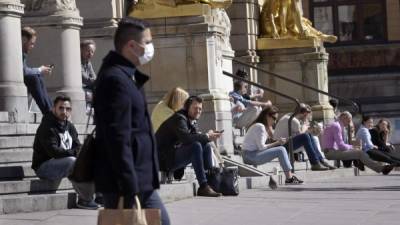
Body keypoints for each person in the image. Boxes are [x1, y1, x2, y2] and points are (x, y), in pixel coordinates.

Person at [93, 17, 170, 225]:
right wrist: (129, 185)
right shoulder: (115, 80)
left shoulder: (127, 76)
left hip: (136, 176)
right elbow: (117, 136)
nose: (150, 47)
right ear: (131, 46)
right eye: (147, 42)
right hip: (128, 180)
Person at [31, 96, 98, 209]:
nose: (64, 111)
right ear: (54, 109)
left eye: (67, 109)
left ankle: (100, 195)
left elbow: (78, 146)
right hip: (44, 167)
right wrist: (75, 153)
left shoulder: (69, 126)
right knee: (72, 162)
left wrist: (80, 154)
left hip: (62, 162)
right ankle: (84, 200)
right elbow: (54, 152)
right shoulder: (47, 127)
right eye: (61, 108)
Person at [156, 96, 223, 197]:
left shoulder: (190, 120)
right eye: (195, 108)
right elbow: (186, 139)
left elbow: (196, 137)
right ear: (187, 107)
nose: (198, 111)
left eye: (200, 109)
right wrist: (207, 136)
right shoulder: (179, 118)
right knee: (195, 146)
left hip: (172, 154)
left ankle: (211, 181)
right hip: (163, 158)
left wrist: (208, 136)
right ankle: (203, 186)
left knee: (206, 145)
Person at [242, 106, 304, 185]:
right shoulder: (260, 127)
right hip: (250, 155)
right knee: (281, 149)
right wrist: (277, 142)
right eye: (274, 118)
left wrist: (276, 140)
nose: (275, 122)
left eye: (276, 119)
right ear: (267, 116)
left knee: (281, 149)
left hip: (251, 154)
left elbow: (262, 146)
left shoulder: (261, 126)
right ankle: (289, 178)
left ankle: (290, 177)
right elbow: (262, 147)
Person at [322, 111, 394, 175]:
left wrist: (352, 147)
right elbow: (341, 146)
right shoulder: (337, 126)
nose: (349, 123)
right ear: (344, 118)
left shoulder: (336, 125)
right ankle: (381, 169)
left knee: (358, 151)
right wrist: (352, 147)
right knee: (359, 153)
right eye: (349, 121)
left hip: (332, 151)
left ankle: (360, 162)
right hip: (331, 152)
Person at [274, 103, 334, 170]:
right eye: (307, 115)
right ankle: (315, 163)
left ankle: (320, 161)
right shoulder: (294, 120)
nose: (307, 116)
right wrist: (305, 127)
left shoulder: (290, 115)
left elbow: (297, 134)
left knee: (309, 136)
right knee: (305, 137)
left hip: (283, 143)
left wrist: (306, 127)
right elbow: (301, 135)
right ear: (305, 113)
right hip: (280, 146)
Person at [21, 26, 53, 115]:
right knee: (34, 78)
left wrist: (40, 71)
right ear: (24, 39)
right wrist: (39, 70)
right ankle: (47, 112)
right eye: (32, 43)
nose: (33, 46)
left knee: (38, 77)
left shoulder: (23, 52)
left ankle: (51, 109)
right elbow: (23, 71)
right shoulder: (17, 51)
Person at [80, 40, 97, 110]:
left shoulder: (88, 63)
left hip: (88, 87)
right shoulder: (77, 61)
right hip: (81, 88)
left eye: (92, 52)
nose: (90, 54)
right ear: (81, 50)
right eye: (88, 51)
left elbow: (94, 77)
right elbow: (85, 79)